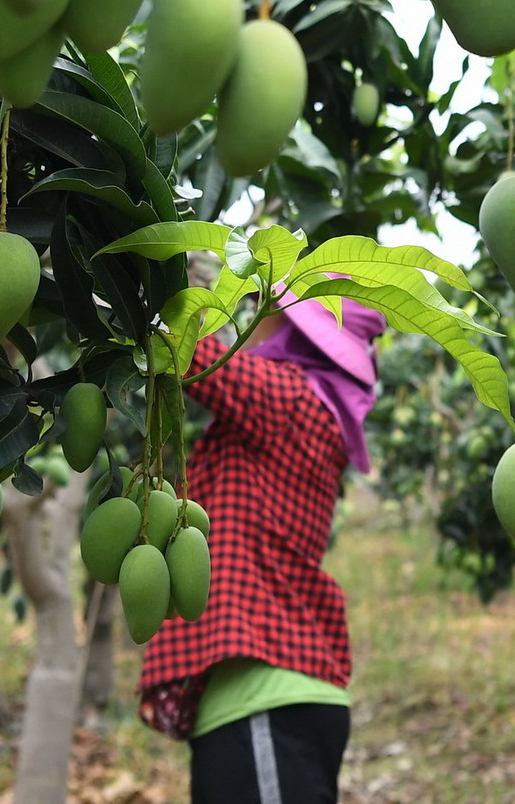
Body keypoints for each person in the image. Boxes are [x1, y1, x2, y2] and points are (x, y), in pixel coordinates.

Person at [135, 290, 386, 804]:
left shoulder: (295, 400)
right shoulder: (287, 416)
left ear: (305, 333)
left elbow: (191, 354)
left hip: (266, 701)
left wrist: (138, 288)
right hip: (250, 704)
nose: (249, 322)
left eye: (265, 311)